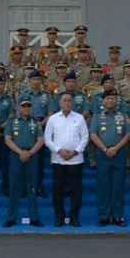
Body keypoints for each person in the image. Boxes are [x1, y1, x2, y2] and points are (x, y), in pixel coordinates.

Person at [44, 92, 89, 227]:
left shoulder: (80, 118)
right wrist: (59, 150)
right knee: (58, 190)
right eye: (64, 100)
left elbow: (85, 137)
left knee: (76, 190)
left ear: (72, 103)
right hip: (58, 160)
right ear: (60, 103)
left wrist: (75, 151)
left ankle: (74, 216)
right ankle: (59, 217)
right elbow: (47, 138)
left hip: (76, 159)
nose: (67, 102)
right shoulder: (52, 119)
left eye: (69, 100)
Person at [90, 90, 130, 227]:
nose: (110, 101)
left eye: (113, 98)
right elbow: (93, 135)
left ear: (116, 100)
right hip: (103, 153)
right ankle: (104, 216)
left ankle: (117, 216)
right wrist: (105, 149)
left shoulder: (123, 115)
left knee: (118, 185)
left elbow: (128, 134)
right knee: (103, 185)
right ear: (103, 101)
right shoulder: (97, 116)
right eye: (108, 98)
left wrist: (116, 148)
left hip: (118, 152)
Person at [2, 99, 45, 228]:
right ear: (19, 108)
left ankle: (34, 218)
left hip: (32, 156)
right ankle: (11, 218)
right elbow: (7, 140)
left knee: (32, 187)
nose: (26, 108)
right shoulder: (11, 122)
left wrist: (30, 153)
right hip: (16, 156)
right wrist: (20, 152)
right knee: (14, 187)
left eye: (28, 106)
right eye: (23, 106)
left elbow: (41, 140)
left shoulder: (36, 122)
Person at [17, 70, 52, 198]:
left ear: (41, 81)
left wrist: (39, 125)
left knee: (39, 161)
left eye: (38, 79)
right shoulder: (23, 95)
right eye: (33, 79)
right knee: (25, 160)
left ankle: (38, 187)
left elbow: (50, 114)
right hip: (25, 127)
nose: (36, 82)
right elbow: (18, 112)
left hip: (41, 126)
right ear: (29, 81)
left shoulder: (47, 96)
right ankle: (25, 187)